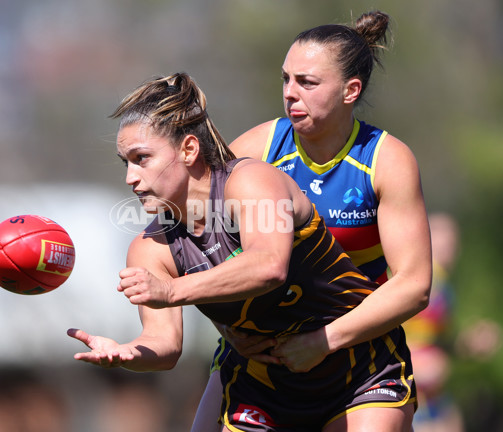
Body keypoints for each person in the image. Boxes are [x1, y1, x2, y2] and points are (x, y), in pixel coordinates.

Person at [68, 72, 422, 431]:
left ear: (189, 150)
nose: (130, 177)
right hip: (263, 386)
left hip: (357, 370)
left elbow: (269, 266)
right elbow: (164, 344)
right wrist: (129, 353)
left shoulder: (250, 181)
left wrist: (172, 291)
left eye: (141, 158)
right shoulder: (150, 248)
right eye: (124, 162)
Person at [191, 10, 433, 432]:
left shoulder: (385, 161)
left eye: (307, 82)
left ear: (350, 90)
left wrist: (323, 342)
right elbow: (196, 243)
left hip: (362, 363)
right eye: (286, 79)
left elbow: (413, 285)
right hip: (264, 362)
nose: (290, 93)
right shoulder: (258, 149)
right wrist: (227, 326)